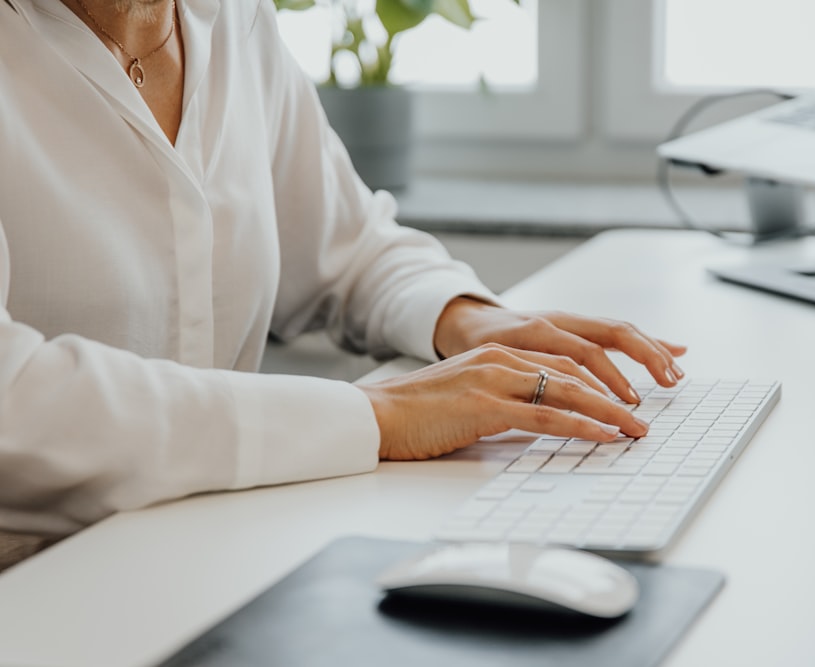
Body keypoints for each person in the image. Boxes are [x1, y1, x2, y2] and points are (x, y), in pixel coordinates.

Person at [0, 0, 686, 567]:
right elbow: (14, 398)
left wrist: (468, 317)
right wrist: (380, 416)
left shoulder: (232, 21)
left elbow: (347, 244)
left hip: (203, 553)